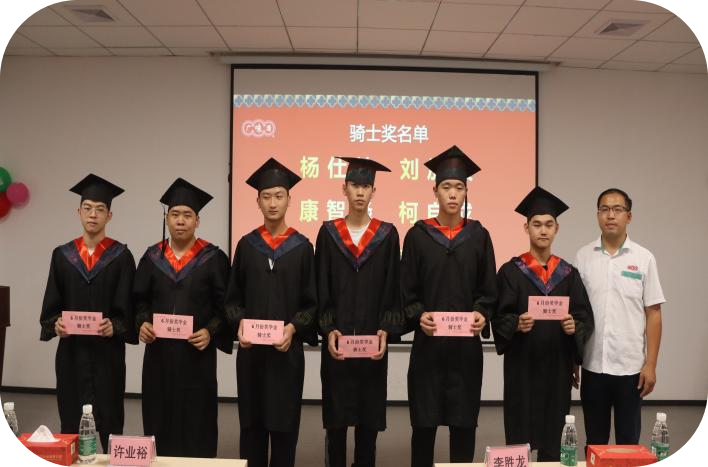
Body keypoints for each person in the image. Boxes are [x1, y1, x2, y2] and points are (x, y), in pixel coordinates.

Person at [401, 145, 497, 467]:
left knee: (463, 425)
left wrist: (482, 313)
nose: (452, 194)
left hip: (465, 351)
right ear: (435, 191)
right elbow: (406, 291)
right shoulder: (417, 236)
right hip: (428, 349)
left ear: (466, 191)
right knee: (423, 426)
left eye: (458, 187)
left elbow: (488, 289)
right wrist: (418, 315)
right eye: (446, 187)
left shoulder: (479, 236)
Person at [225, 158, 318, 467]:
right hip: (251, 356)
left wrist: (293, 328)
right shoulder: (247, 246)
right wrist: (239, 324)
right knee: (251, 427)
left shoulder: (302, 248)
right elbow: (232, 300)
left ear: (290, 199)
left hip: (286, 356)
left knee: (284, 429)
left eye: (279, 196)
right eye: (266, 196)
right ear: (258, 201)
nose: (273, 203)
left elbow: (311, 304)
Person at [492, 186, 594, 461]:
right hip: (521, 367)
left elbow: (584, 316)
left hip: (557, 368)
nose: (543, 230)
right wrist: (515, 323)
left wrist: (575, 327)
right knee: (519, 433)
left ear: (557, 229)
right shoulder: (511, 272)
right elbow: (498, 315)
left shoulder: (568, 274)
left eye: (549, 224)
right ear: (526, 228)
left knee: (554, 435)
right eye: (536, 224)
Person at [134, 178, 231, 458]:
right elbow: (138, 300)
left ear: (197, 221)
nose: (180, 221)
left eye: (187, 215)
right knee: (159, 414)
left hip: (196, 358)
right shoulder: (152, 257)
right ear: (167, 219)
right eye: (175, 214)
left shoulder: (213, 258)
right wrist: (142, 322)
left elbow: (226, 306)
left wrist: (210, 332)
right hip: (159, 357)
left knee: (197, 418)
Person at [40, 174, 136, 452]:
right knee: (71, 418)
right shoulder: (62, 256)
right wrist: (56, 324)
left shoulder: (121, 257)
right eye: (88, 208)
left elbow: (129, 311)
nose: (93, 214)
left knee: (110, 417)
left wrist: (115, 326)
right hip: (71, 354)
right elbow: (50, 309)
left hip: (108, 356)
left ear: (109, 215)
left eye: (100, 209)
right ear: (78, 212)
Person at [316, 157, 402, 467]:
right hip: (338, 344)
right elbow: (321, 287)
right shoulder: (328, 234)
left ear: (373, 191)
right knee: (336, 424)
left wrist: (386, 329)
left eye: (366, 186)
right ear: (344, 189)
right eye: (354, 185)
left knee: (368, 423)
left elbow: (393, 289)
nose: (360, 192)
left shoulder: (387, 235)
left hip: (371, 345)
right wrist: (328, 329)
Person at [575, 188, 665, 449]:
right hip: (593, 364)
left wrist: (651, 364)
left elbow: (654, 314)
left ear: (629, 216)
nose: (610, 215)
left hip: (630, 368)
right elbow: (577, 313)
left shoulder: (644, 258)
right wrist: (573, 358)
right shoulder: (583, 257)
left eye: (617, 209)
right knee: (595, 442)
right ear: (597, 215)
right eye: (604, 209)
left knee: (628, 443)